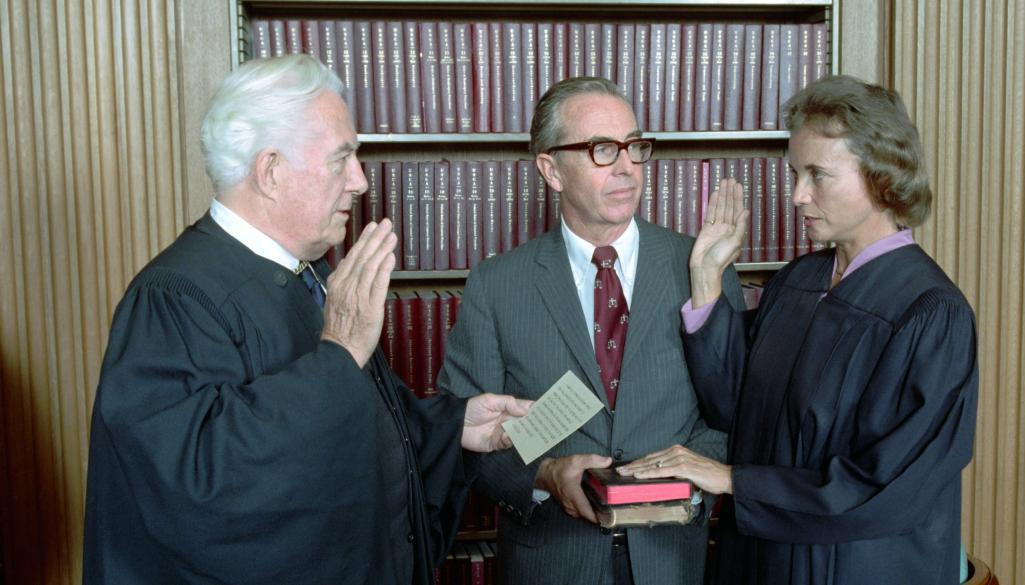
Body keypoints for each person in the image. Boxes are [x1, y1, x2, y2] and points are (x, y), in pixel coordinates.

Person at [82, 54, 529, 585]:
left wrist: (454, 428)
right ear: (271, 171)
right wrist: (338, 353)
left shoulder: (308, 275)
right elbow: (196, 484)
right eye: (342, 159)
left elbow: (353, 431)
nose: (361, 181)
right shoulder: (174, 298)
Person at [618, 75, 979, 584]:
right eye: (794, 173)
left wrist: (732, 480)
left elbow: (887, 485)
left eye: (818, 175)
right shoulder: (799, 281)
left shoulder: (930, 314)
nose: (797, 195)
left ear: (882, 175)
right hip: (763, 558)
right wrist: (705, 281)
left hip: (858, 567)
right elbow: (732, 406)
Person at [438, 76, 743, 585]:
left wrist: (683, 485)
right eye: (602, 149)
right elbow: (462, 431)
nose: (627, 166)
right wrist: (543, 476)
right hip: (551, 559)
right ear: (551, 169)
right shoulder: (496, 285)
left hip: (672, 558)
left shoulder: (704, 267)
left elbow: (734, 410)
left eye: (634, 146)